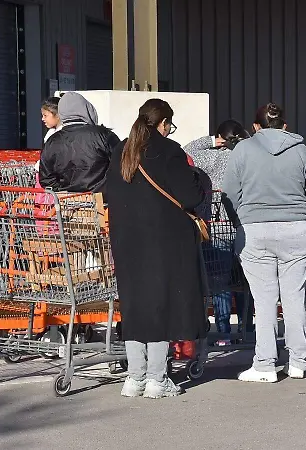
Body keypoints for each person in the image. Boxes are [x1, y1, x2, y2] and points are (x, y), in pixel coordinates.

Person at [107, 98, 207, 398]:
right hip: (164, 240)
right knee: (161, 305)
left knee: (135, 306)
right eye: (170, 124)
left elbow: (109, 190)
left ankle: (134, 378)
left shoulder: (121, 150)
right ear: (163, 122)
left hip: (126, 240)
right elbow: (190, 197)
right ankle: (157, 379)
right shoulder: (168, 150)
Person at [223, 103, 306, 382]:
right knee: (294, 297)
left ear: (255, 127)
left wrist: (240, 222)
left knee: (264, 299)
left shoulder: (242, 150)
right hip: (296, 229)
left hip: (255, 230)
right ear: (285, 126)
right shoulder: (300, 149)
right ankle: (298, 362)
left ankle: (265, 363)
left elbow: (229, 193)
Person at [184, 120, 252, 346]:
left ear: (221, 138)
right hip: (242, 223)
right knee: (245, 279)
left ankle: (224, 333)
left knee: (220, 281)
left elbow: (187, 151)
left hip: (217, 225)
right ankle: (247, 327)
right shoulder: (244, 158)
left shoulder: (209, 158)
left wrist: (210, 141)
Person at [39, 92, 120, 194]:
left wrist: (64, 191)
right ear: (87, 109)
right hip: (103, 201)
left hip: (67, 203)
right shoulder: (103, 135)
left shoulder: (52, 140)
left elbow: (46, 178)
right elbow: (122, 164)